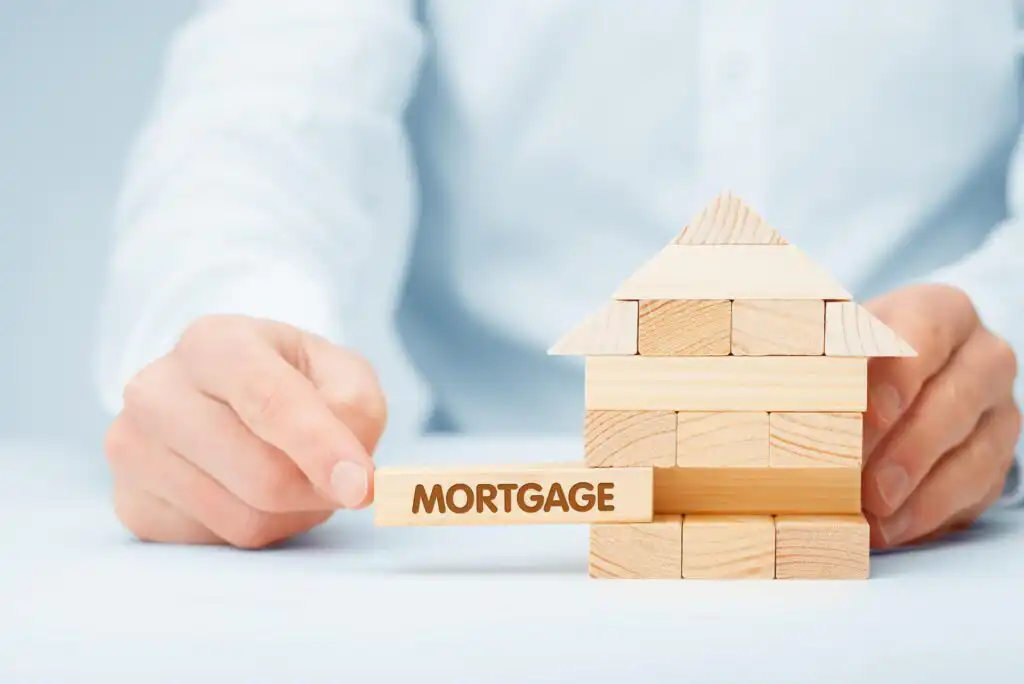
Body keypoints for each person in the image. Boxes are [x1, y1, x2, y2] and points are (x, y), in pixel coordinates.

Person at [94, 1, 1023, 550]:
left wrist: (999, 342)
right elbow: (256, 118)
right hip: (472, 546)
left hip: (930, 539)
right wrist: (235, 350)